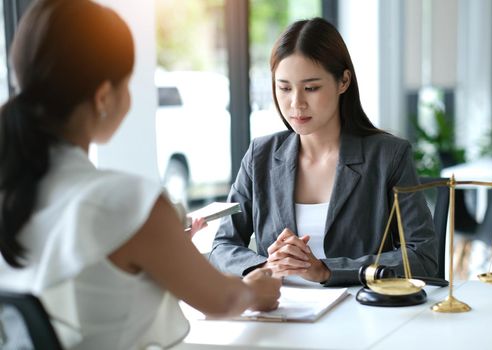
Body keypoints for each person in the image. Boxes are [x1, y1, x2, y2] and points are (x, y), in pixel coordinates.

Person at [0, 0, 280, 349]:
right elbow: (222, 300)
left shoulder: (13, 189)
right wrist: (256, 291)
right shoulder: (127, 202)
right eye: (128, 83)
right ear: (103, 96)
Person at [209, 17, 438, 287]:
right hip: (281, 310)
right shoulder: (260, 155)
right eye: (284, 88)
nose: (296, 103)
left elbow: (423, 256)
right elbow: (222, 245)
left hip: (360, 314)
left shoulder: (388, 156)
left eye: (311, 88)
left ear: (343, 81)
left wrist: (327, 270)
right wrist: (265, 266)